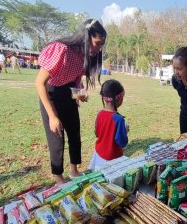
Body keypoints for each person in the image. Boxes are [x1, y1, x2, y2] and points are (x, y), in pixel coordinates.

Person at [35, 18, 106, 185]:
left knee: (75, 134)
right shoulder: (61, 50)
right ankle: (58, 178)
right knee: (57, 137)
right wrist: (52, 116)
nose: (99, 48)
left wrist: (79, 94)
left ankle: (74, 170)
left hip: (68, 94)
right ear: (86, 37)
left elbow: (74, 80)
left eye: (102, 44)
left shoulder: (84, 56)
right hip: (50, 94)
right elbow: (39, 83)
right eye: (97, 43)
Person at [89, 79, 128, 170]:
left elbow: (97, 133)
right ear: (119, 98)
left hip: (98, 154)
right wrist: (125, 131)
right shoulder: (119, 119)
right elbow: (122, 142)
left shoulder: (100, 114)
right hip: (112, 159)